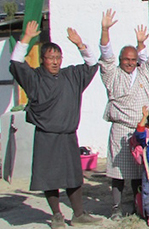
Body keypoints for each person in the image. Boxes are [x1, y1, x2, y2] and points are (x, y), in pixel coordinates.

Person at [9, 20, 102, 228]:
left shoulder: (71, 76)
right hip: (47, 135)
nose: (55, 61)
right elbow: (16, 63)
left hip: (68, 135)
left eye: (58, 57)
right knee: (49, 177)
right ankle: (57, 215)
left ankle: (78, 214)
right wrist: (25, 38)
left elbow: (92, 64)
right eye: (50, 58)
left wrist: (80, 44)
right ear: (42, 60)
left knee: (74, 176)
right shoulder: (34, 78)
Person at [98, 9, 149, 219]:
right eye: (126, 59)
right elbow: (105, 56)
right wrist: (105, 30)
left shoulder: (144, 72)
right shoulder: (112, 75)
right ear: (120, 59)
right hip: (121, 129)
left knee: (141, 171)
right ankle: (116, 208)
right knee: (117, 174)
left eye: (133, 59)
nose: (130, 62)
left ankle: (138, 205)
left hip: (145, 131)